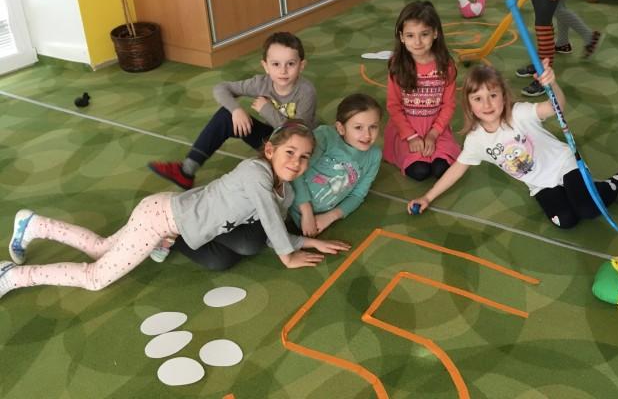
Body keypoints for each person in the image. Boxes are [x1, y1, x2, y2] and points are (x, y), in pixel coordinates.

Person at [0, 122, 351, 300]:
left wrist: (306, 243)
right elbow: (271, 221)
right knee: (95, 278)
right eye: (290, 152)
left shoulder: (284, 192)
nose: (297, 162)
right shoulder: (255, 173)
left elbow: (272, 229)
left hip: (167, 215)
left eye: (304, 157)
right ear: (270, 150)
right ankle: (13, 277)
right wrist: (289, 256)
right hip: (159, 219)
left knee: (101, 247)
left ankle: (34, 224)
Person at [406, 65, 618, 228]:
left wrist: (552, 85)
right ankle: (581, 190)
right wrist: (427, 197)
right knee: (565, 221)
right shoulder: (475, 140)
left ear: (504, 96)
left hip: (563, 165)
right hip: (539, 183)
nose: (487, 104)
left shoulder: (520, 113)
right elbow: (457, 169)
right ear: (469, 105)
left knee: (587, 209)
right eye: (478, 98)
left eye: (493, 95)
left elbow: (556, 107)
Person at [148, 31, 316, 189]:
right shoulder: (262, 83)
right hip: (273, 138)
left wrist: (266, 109)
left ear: (301, 65)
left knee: (286, 170)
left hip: (297, 148)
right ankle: (186, 171)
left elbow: (298, 135)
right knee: (226, 115)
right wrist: (236, 110)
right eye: (276, 64)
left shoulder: (306, 91)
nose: (283, 70)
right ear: (265, 66)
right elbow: (221, 88)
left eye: (290, 64)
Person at [383, 1, 460, 182]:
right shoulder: (397, 65)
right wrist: (411, 137)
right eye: (410, 35)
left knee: (441, 168)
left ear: (435, 33)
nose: (417, 42)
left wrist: (433, 134)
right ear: (402, 37)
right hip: (407, 130)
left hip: (436, 128)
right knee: (420, 171)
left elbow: (448, 105)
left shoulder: (446, 65)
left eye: (424, 34)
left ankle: (440, 149)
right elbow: (393, 106)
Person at [290, 94, 382, 237]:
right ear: (341, 128)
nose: (367, 135)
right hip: (287, 206)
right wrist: (306, 211)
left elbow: (358, 195)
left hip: (318, 221)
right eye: (358, 127)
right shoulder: (325, 136)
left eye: (373, 127)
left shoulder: (374, 155)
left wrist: (330, 217)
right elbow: (296, 170)